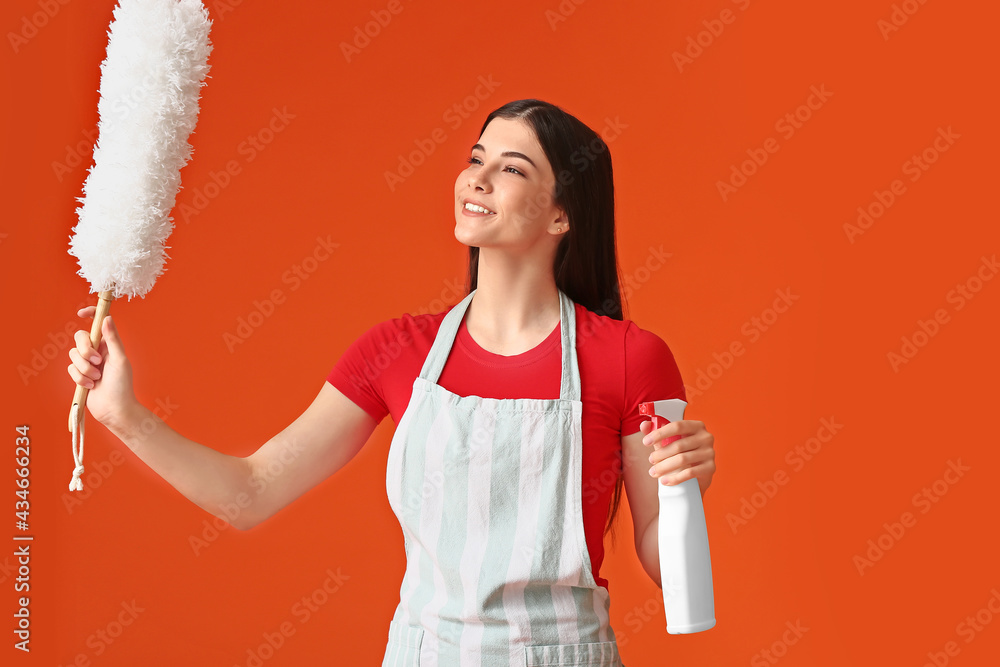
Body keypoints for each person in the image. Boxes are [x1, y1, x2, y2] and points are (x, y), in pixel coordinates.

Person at [67, 98, 717, 666]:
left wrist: (686, 493)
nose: (478, 179)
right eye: (477, 158)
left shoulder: (633, 359)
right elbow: (252, 492)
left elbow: (677, 581)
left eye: (512, 169)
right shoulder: (395, 351)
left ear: (560, 217)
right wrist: (123, 414)